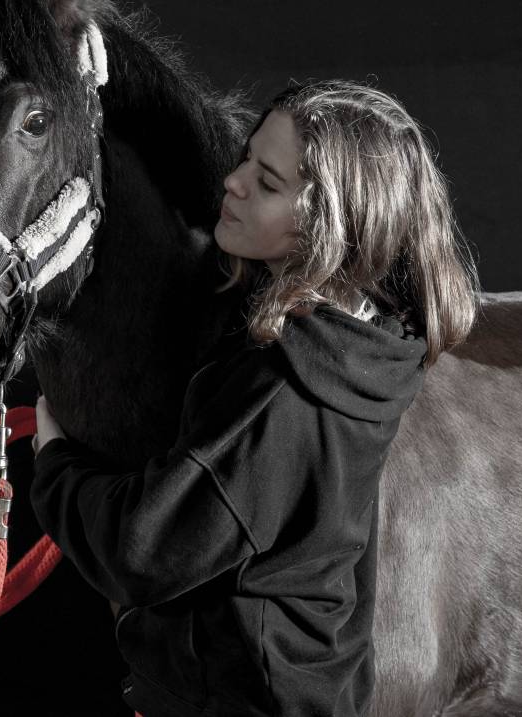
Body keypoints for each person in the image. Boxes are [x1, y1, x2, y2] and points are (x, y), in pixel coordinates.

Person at [29, 79, 480, 717]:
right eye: (246, 158)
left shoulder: (284, 391)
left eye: (267, 183)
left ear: (328, 226)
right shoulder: (362, 343)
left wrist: (55, 465)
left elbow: (145, 550)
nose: (234, 182)